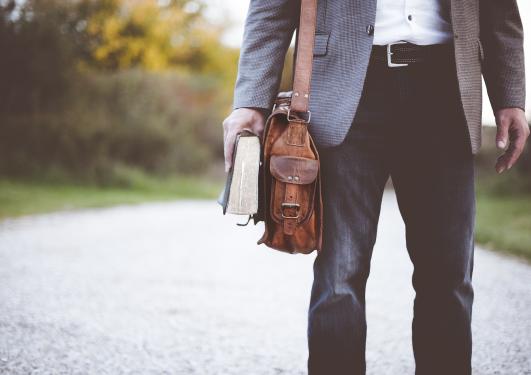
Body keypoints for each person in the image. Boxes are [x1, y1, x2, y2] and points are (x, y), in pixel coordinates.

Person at [222, 0, 529, 374]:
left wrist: (511, 96)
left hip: (446, 91)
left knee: (448, 278)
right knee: (339, 275)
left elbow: (499, 12)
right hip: (346, 90)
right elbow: (271, 9)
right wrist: (250, 100)